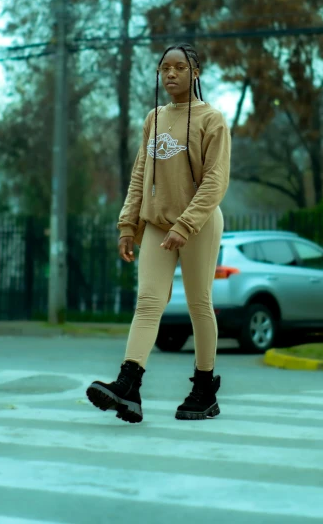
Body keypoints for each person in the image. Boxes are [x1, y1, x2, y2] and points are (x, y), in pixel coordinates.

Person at [86, 43, 231, 424]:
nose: (170, 74)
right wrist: (127, 224)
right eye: (164, 68)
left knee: (199, 303)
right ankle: (128, 386)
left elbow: (216, 181)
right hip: (156, 224)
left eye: (179, 67)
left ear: (194, 73)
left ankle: (204, 388)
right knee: (148, 302)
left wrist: (186, 224)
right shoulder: (153, 118)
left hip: (197, 223)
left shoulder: (211, 119)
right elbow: (140, 175)